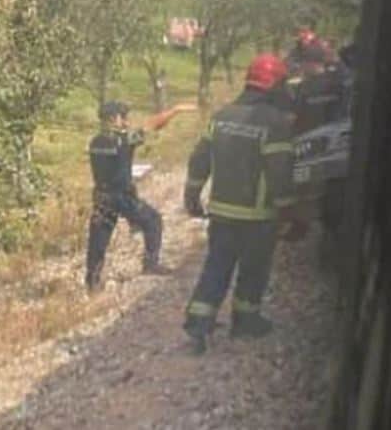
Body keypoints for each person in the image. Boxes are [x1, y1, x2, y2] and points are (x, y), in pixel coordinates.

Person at [182, 54, 297, 353]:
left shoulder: (221, 116)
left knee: (217, 265)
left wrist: (191, 195)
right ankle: (245, 321)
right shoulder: (274, 123)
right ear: (274, 84)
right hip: (258, 216)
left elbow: (200, 160)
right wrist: (288, 211)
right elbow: (279, 172)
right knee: (253, 269)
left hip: (221, 212)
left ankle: (198, 322)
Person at [85, 100, 194, 292]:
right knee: (153, 221)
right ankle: (150, 264)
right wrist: (175, 110)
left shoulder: (95, 141)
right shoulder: (122, 140)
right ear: (113, 119)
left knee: (98, 240)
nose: (126, 121)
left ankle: (92, 282)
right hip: (123, 197)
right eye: (123, 117)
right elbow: (153, 125)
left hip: (102, 197)